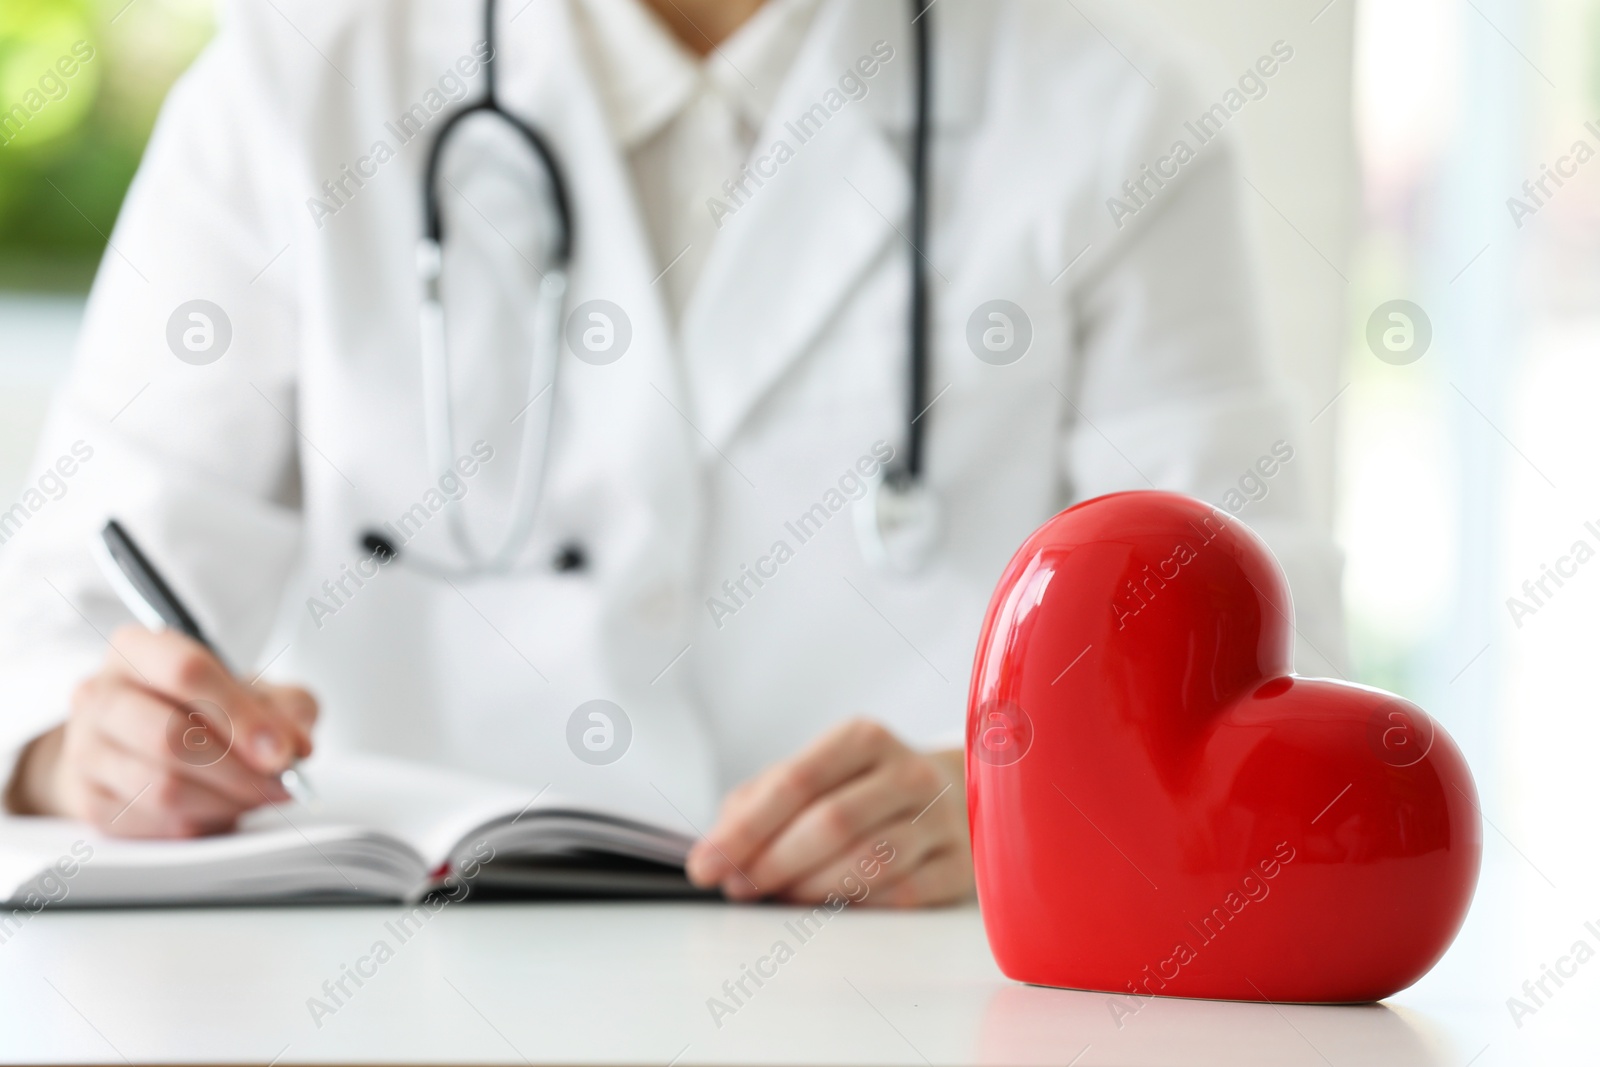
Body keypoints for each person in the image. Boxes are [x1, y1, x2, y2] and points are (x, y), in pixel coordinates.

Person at [0, 0, 1345, 908]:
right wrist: (86, 745)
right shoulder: (296, 85)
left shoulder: (1103, 117)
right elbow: (62, 615)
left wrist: (1008, 799)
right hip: (395, 992)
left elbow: (1256, 668)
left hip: (908, 1007)